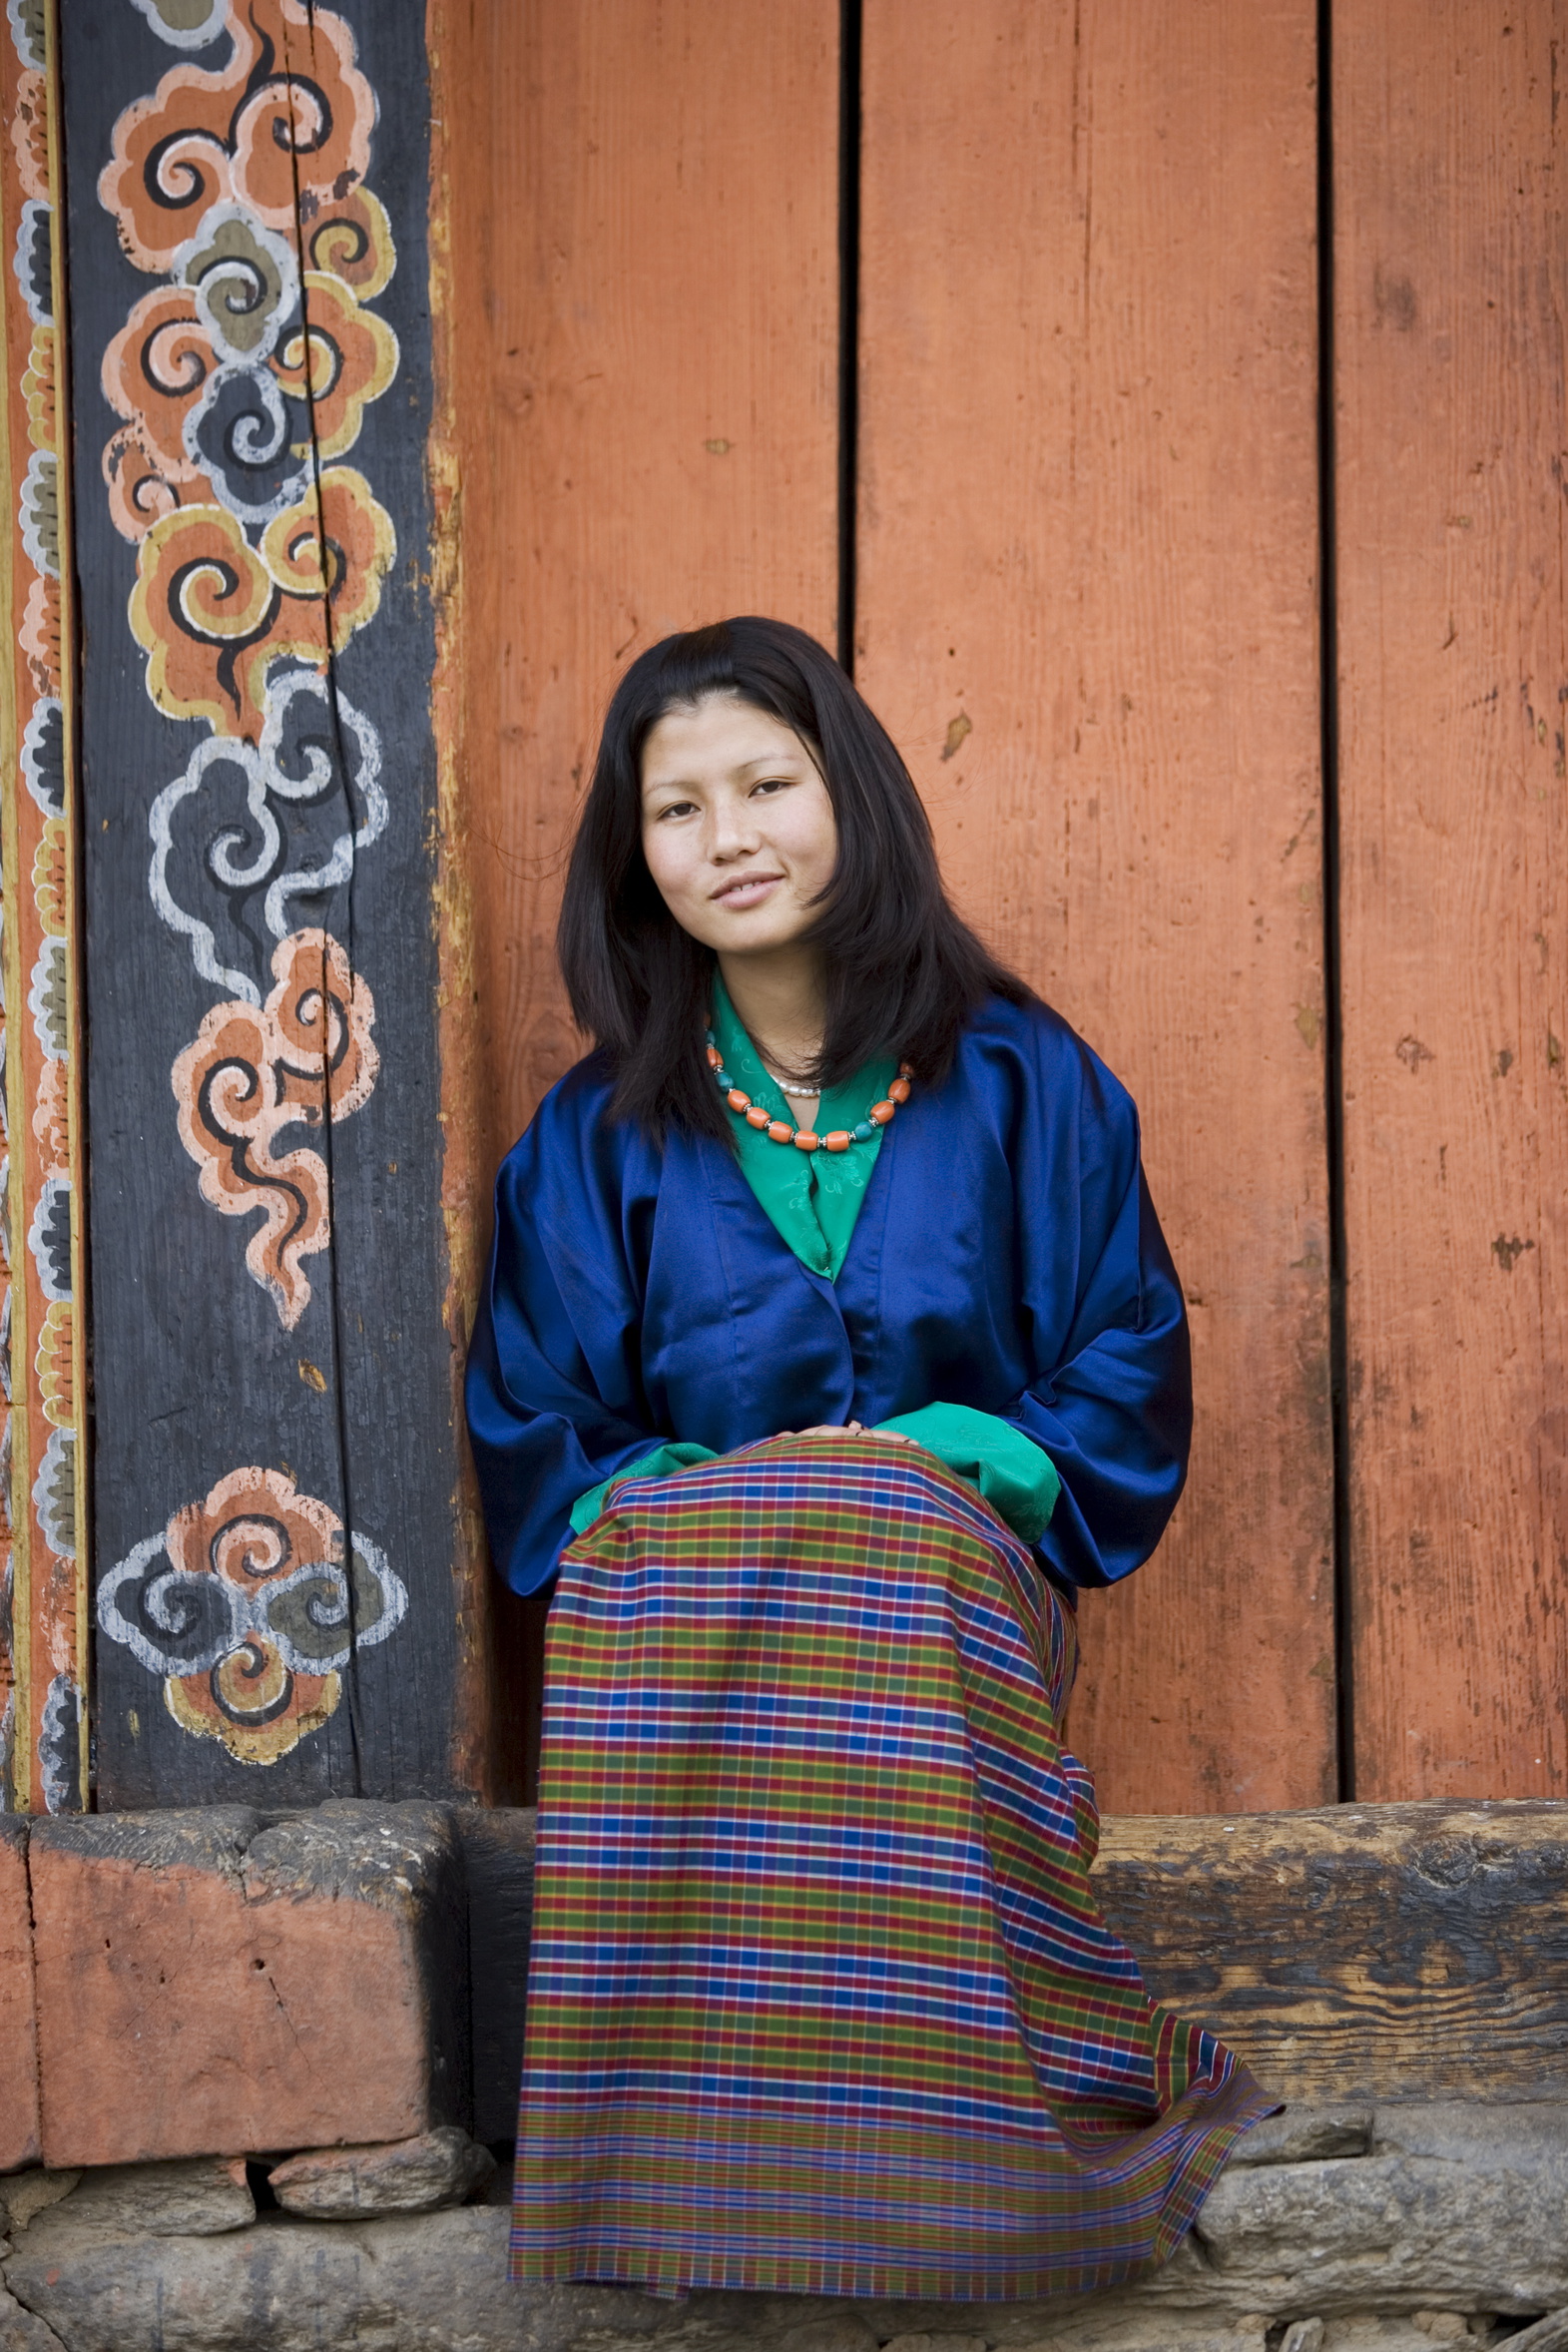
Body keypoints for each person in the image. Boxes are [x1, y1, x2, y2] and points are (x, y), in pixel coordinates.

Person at [466, 616, 1274, 2304]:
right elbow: (546, 1428)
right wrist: (752, 1502)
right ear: (635, 858)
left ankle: (968, 2160)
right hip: (703, 1637)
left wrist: (930, 1464)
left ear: (859, 800)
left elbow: (1124, 1363)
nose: (726, 838)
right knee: (797, 1516)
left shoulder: (1029, 1084)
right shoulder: (588, 1138)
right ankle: (703, 2180)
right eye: (675, 810)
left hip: (945, 1610)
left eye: (766, 784)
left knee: (879, 1508)